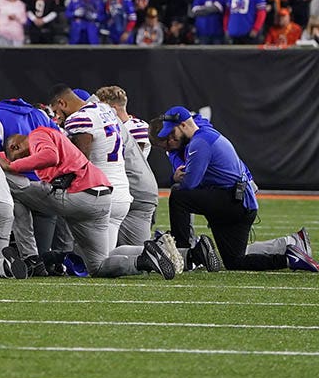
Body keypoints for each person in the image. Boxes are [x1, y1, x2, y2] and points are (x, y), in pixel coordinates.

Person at [0, 127, 180, 280]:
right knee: (99, 266)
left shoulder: (38, 134)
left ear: (15, 146)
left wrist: (11, 165)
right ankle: (145, 257)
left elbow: (49, 156)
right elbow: (8, 158)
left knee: (14, 187)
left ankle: (31, 257)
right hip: (100, 199)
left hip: (76, 194)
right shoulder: (47, 138)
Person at [153, 107, 316, 272]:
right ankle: (290, 259)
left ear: (183, 125)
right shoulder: (202, 131)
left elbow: (189, 184)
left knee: (179, 195)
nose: (171, 141)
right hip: (240, 202)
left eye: (172, 134)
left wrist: (173, 177)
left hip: (232, 202)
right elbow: (196, 120)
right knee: (234, 261)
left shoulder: (200, 142)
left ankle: (182, 253)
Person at [48, 84, 132, 247]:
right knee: (105, 259)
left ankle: (146, 256)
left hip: (101, 194)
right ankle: (147, 254)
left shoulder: (79, 118)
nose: (58, 117)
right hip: (121, 192)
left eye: (57, 111)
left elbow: (80, 161)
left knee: (98, 263)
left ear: (62, 103)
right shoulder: (104, 109)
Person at [93, 86, 161, 248]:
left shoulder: (136, 128)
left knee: (132, 248)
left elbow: (127, 160)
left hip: (132, 188)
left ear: (113, 108)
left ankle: (180, 253)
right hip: (122, 188)